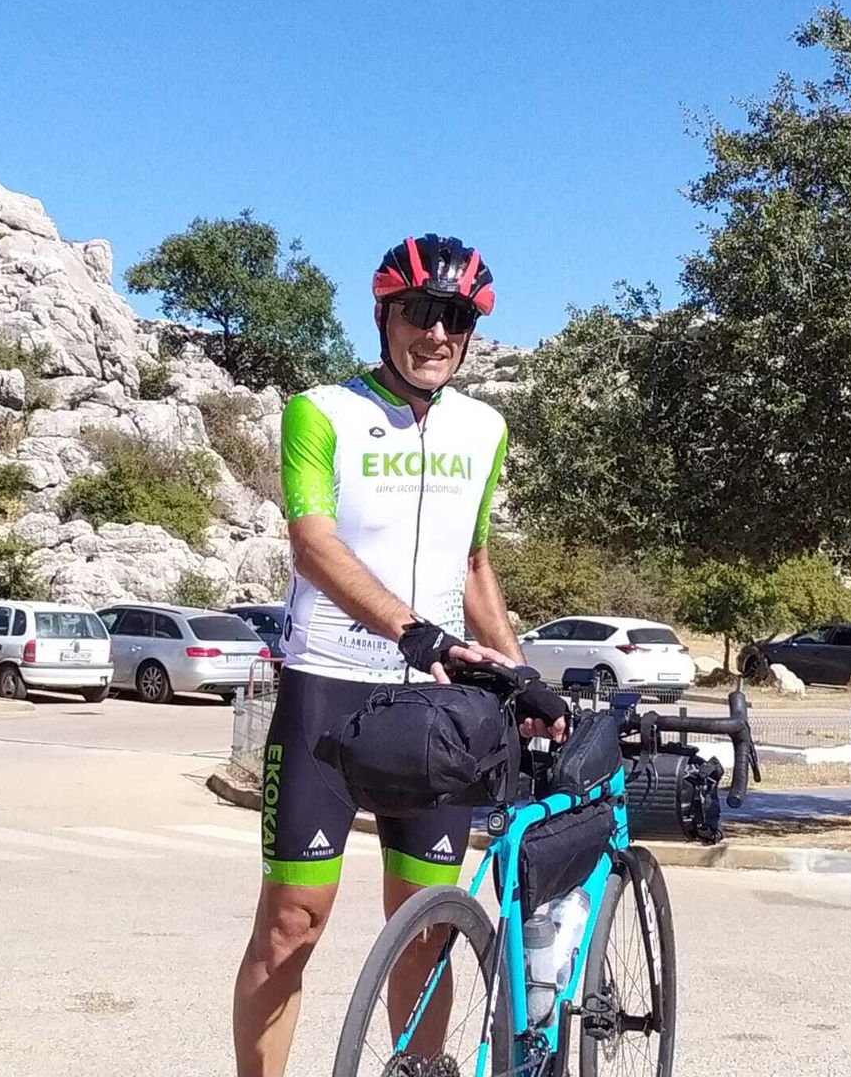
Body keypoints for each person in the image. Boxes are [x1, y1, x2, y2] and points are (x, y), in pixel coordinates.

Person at [232, 234, 567, 1077]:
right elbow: (313, 544)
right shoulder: (322, 411)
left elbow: (476, 565)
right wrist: (409, 628)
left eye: (455, 319)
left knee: (428, 928)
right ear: (384, 316)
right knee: (290, 926)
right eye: (419, 314)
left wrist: (518, 670)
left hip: (442, 711)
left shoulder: (485, 428)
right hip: (328, 694)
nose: (437, 334)